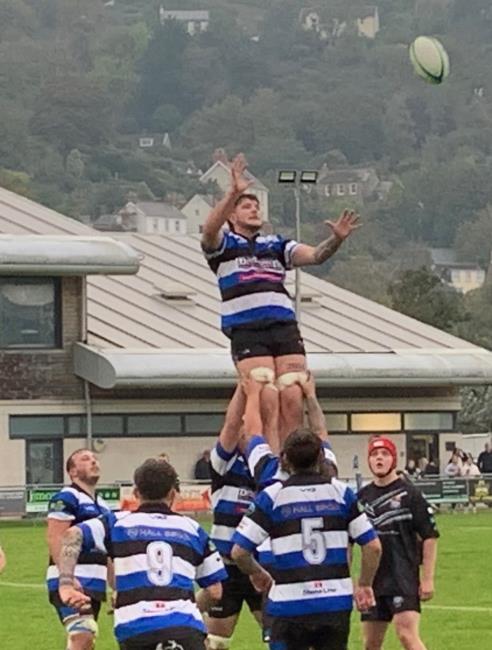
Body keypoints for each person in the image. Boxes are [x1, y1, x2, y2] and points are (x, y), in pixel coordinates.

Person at [201, 153, 360, 446]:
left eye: (256, 205)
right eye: (246, 206)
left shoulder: (276, 245)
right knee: (264, 397)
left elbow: (315, 255)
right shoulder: (224, 245)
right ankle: (268, 465)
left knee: (292, 394)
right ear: (232, 216)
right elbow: (209, 230)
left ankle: (292, 464)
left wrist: (336, 239)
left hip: (284, 327)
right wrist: (232, 193)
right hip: (247, 329)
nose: (253, 210)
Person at [231, 428, 382, 650]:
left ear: (284, 459)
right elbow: (373, 546)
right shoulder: (341, 493)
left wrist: (257, 573)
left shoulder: (272, 496)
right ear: (321, 456)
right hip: (334, 602)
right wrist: (365, 584)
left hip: (288, 604)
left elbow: (239, 552)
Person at [58, 457, 227, 650]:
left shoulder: (117, 523)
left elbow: (72, 535)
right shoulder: (193, 529)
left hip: (137, 629)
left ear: (136, 493)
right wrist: (183, 609)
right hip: (185, 629)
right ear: (172, 494)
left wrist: (65, 584)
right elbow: (215, 591)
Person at [358, 436, 440, 650]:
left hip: (403, 577)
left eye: (384, 454)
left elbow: (430, 536)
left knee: (406, 635)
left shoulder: (410, 494)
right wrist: (353, 583)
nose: (379, 459)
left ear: (393, 459)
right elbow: (348, 542)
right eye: (374, 455)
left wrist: (428, 578)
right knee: (371, 644)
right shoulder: (362, 498)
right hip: (373, 581)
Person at [207, 383, 266, 650]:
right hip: (226, 565)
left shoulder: (269, 466)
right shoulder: (224, 465)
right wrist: (246, 388)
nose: (245, 430)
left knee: (277, 635)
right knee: (216, 642)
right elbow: (230, 428)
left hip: (260, 564)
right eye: (242, 425)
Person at [46, 448, 110, 650]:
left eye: (94, 458)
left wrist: (119, 586)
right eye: (85, 459)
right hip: (72, 578)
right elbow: (56, 536)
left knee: (87, 639)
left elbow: (107, 550)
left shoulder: (104, 506)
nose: (93, 462)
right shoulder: (66, 497)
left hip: (95, 583)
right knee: (82, 633)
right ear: (72, 472)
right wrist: (67, 577)